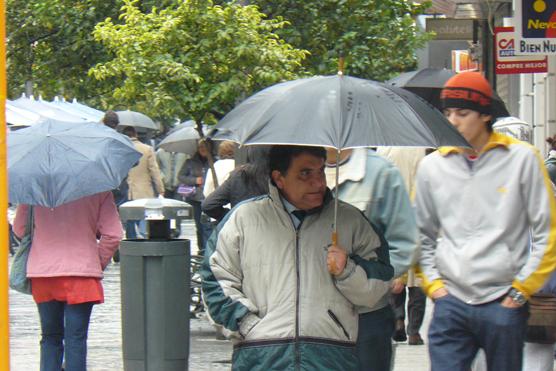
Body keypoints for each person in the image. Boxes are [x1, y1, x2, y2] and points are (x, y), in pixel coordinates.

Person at [201, 145, 394, 370]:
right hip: (261, 358)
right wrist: (248, 324)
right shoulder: (243, 219)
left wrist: (348, 270)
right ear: (279, 178)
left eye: (321, 171)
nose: (319, 182)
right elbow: (214, 280)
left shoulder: (350, 221)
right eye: (305, 173)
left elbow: (380, 284)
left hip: (331, 359)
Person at [415, 71, 556, 371]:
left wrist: (520, 291)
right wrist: (436, 288)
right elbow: (420, 234)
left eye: (462, 113)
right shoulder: (432, 167)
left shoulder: (523, 160)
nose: (453, 121)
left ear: (484, 116)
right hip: (451, 300)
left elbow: (548, 231)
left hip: (503, 299)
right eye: (448, 113)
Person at [324, 147, 419, 370]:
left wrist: (369, 281)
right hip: (313, 318)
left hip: (366, 316)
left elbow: (405, 245)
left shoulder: (381, 173)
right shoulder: (301, 168)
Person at [13, 192, 122, 371]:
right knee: (76, 339)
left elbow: (20, 228)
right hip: (82, 276)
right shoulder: (98, 189)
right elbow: (113, 235)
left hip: (44, 274)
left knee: (50, 337)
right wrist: (97, 262)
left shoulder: (35, 189)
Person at [374, 147, 427, 347]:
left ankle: (398, 320)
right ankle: (414, 331)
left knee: (395, 271)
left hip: (393, 217)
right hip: (418, 217)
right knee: (417, 281)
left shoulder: (383, 150)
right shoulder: (420, 150)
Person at [201, 146, 270, 222]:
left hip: (241, 229)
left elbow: (208, 205)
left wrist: (233, 217)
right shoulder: (277, 178)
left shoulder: (238, 176)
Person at [122, 126, 165, 238]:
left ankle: (131, 245)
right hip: (144, 191)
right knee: (143, 220)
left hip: (126, 191)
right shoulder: (147, 149)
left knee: (129, 221)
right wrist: (161, 189)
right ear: (135, 135)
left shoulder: (121, 148)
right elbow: (154, 171)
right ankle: (144, 244)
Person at [178, 140, 211, 253]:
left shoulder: (214, 161)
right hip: (195, 198)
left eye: (205, 146)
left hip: (210, 197)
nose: (202, 149)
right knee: (199, 225)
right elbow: (181, 176)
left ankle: (208, 249)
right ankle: (201, 248)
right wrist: (194, 180)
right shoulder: (190, 162)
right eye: (200, 147)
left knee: (208, 226)